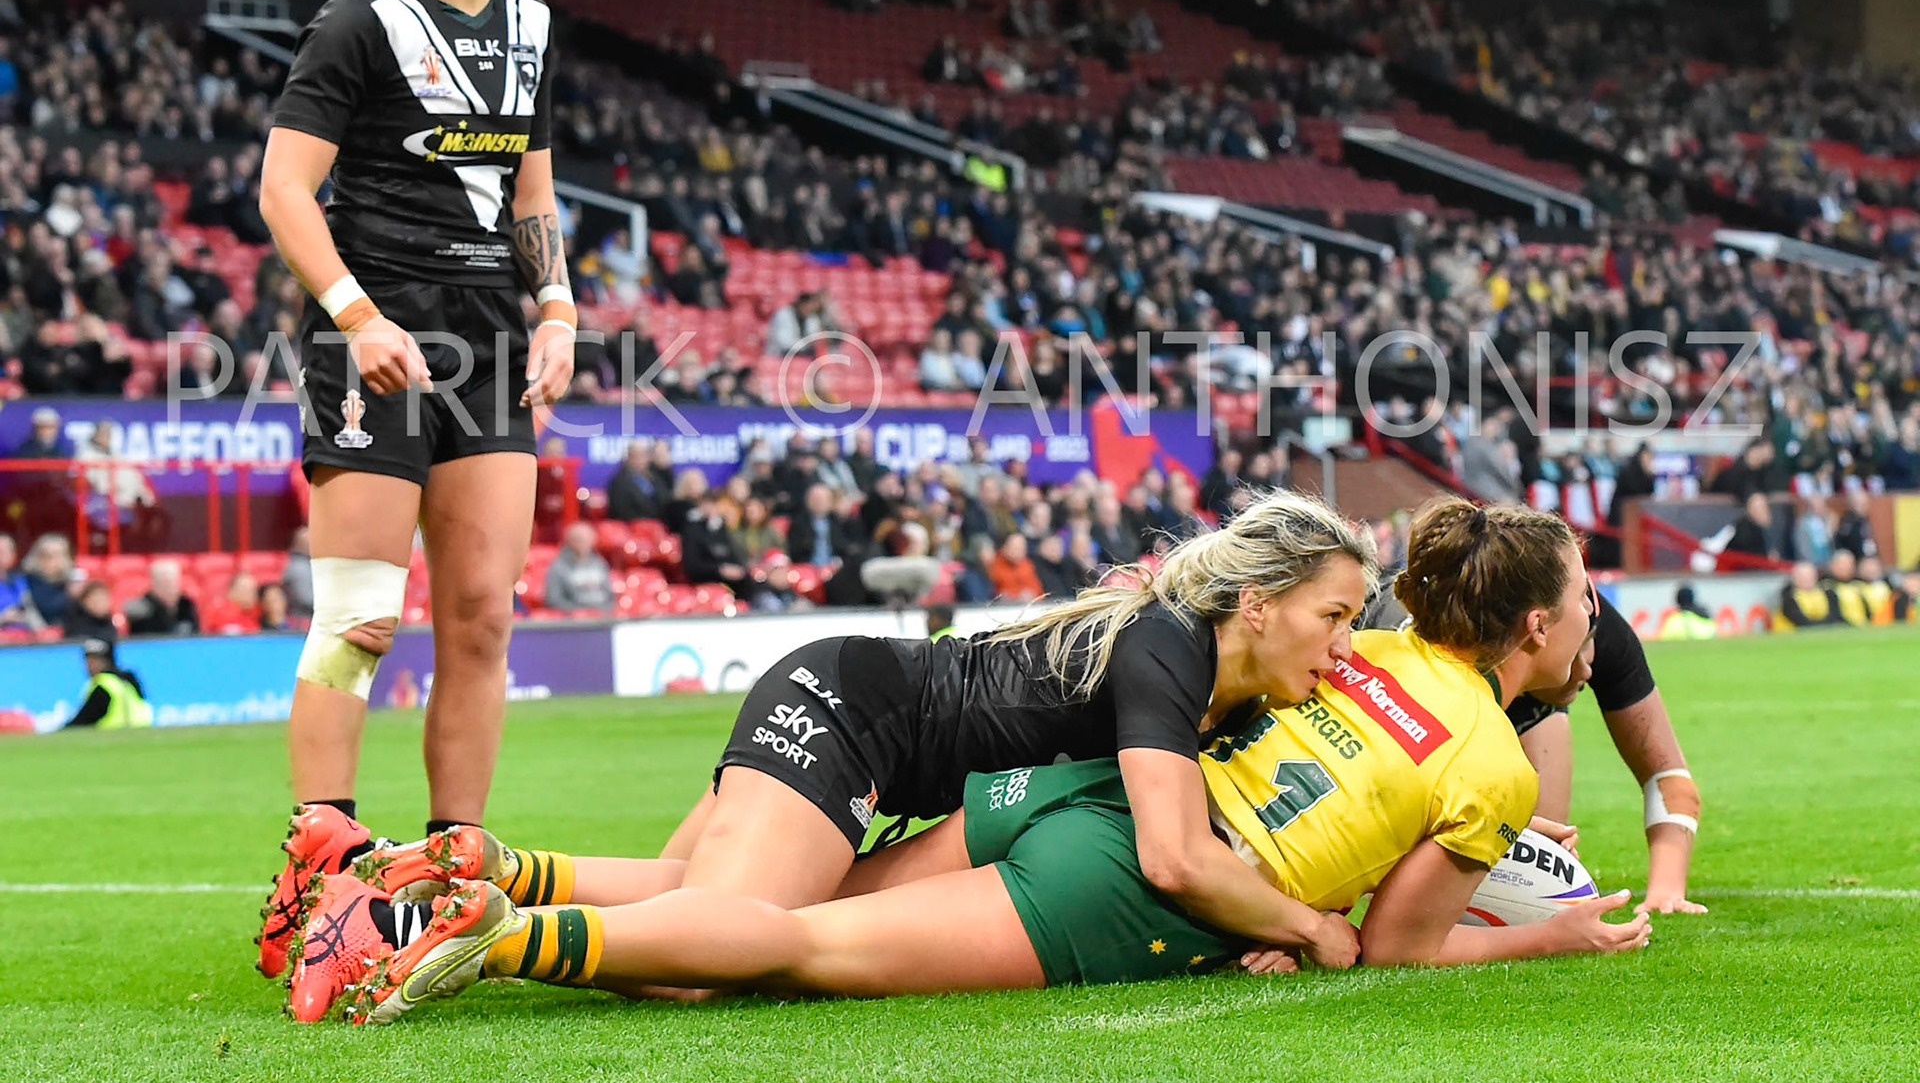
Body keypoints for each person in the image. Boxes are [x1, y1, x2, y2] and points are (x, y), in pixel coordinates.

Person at [297, 498, 1641, 1023]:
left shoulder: (1237, 668)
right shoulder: (1174, 653)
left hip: (916, 745)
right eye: (1338, 616)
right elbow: (1178, 851)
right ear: (1260, 600)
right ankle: (484, 928)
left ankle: (453, 871)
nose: (1352, 644)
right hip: (859, 721)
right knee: (738, 951)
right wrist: (1306, 925)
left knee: (692, 892)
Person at [252, 0, 570, 981]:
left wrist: (557, 309)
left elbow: (532, 193)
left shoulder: (532, 23)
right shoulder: (361, 19)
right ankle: (321, 880)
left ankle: (449, 872)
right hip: (370, 342)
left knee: (482, 612)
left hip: (491, 346)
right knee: (360, 618)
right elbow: (286, 189)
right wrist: (356, 315)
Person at [1505, 589, 1706, 916]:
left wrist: (1666, 891)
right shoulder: (1438, 658)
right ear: (1536, 628)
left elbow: (1670, 780)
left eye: (1589, 642)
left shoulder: (1607, 632)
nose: (1586, 670)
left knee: (1538, 876)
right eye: (1575, 650)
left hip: (1531, 699)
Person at [60, 638, 152, 730]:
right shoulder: (128, 679)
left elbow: (82, 720)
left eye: (94, 661)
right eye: (88, 661)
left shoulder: (103, 685)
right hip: (143, 731)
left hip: (114, 735)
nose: (89, 666)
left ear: (106, 661)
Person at [543, 522, 614, 614]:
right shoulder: (558, 567)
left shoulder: (599, 564)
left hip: (601, 618)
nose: (582, 543)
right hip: (573, 622)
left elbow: (610, 596)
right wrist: (578, 612)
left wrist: (604, 611)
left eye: (586, 539)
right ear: (569, 541)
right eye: (578, 539)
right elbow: (553, 600)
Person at [123, 559, 201, 637]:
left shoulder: (187, 605)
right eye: (162, 582)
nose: (167, 586)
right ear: (152, 583)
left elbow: (195, 635)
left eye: (171, 581)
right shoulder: (140, 610)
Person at [604, 442, 665, 522]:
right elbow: (621, 512)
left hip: (659, 525)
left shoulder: (655, 477)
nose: (641, 460)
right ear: (627, 458)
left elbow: (666, 500)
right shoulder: (619, 481)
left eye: (644, 455)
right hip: (633, 527)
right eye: (636, 455)